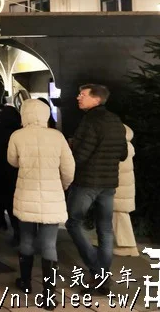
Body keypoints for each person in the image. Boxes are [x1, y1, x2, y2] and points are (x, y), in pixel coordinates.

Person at [8, 99, 75, 311]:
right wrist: (63, 186)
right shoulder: (57, 136)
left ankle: (26, 283)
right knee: (49, 244)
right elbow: (69, 168)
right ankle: (49, 296)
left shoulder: (17, 136)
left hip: (25, 194)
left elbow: (12, 161)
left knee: (26, 238)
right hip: (52, 195)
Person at [65, 84, 127, 294]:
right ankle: (103, 273)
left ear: (96, 99)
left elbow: (81, 156)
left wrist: (72, 148)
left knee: (73, 222)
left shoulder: (90, 120)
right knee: (105, 228)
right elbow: (123, 154)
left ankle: (98, 271)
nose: (78, 98)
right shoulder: (116, 120)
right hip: (109, 182)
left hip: (87, 181)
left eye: (82, 95)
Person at [0, 105, 23, 246]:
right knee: (15, 204)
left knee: (3, 200)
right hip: (17, 172)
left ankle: (1, 223)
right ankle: (19, 231)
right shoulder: (20, 132)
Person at [113, 125, 138, 257]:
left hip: (119, 187)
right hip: (123, 188)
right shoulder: (127, 145)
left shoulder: (120, 147)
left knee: (120, 216)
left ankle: (128, 246)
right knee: (118, 216)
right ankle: (124, 244)